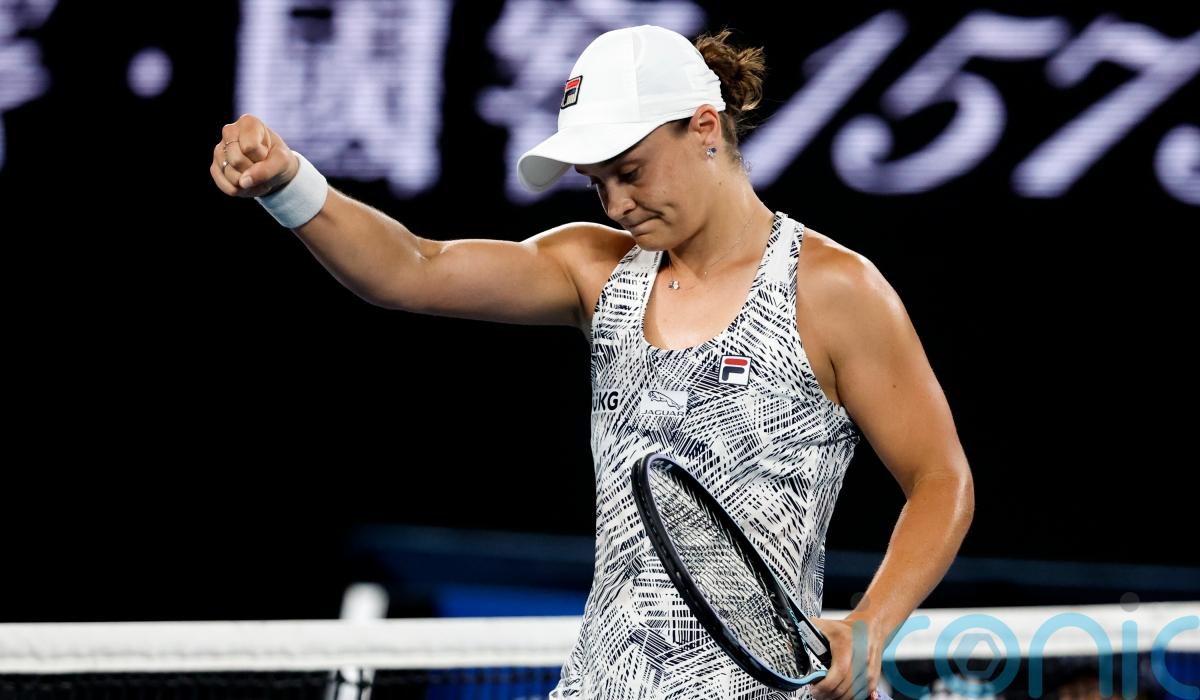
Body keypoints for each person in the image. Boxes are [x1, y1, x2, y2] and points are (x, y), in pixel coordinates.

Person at [211, 23, 974, 700]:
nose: (616, 204)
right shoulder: (595, 270)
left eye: (630, 171)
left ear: (705, 128)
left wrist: (872, 625)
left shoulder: (833, 289)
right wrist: (289, 184)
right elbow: (412, 267)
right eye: (597, 183)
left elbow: (941, 480)